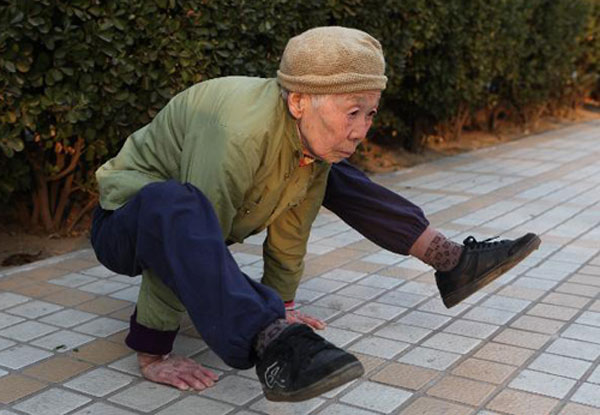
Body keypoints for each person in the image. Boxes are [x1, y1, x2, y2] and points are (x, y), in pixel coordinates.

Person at [90, 26, 540, 401]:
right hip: (127, 223)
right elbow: (182, 242)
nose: (362, 130)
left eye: (370, 113)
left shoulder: (306, 138)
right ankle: (270, 343)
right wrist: (153, 349)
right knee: (180, 204)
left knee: (331, 169)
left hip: (189, 223)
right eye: (352, 113)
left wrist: (284, 303)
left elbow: (292, 229)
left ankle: (450, 259)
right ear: (299, 101)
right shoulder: (237, 133)